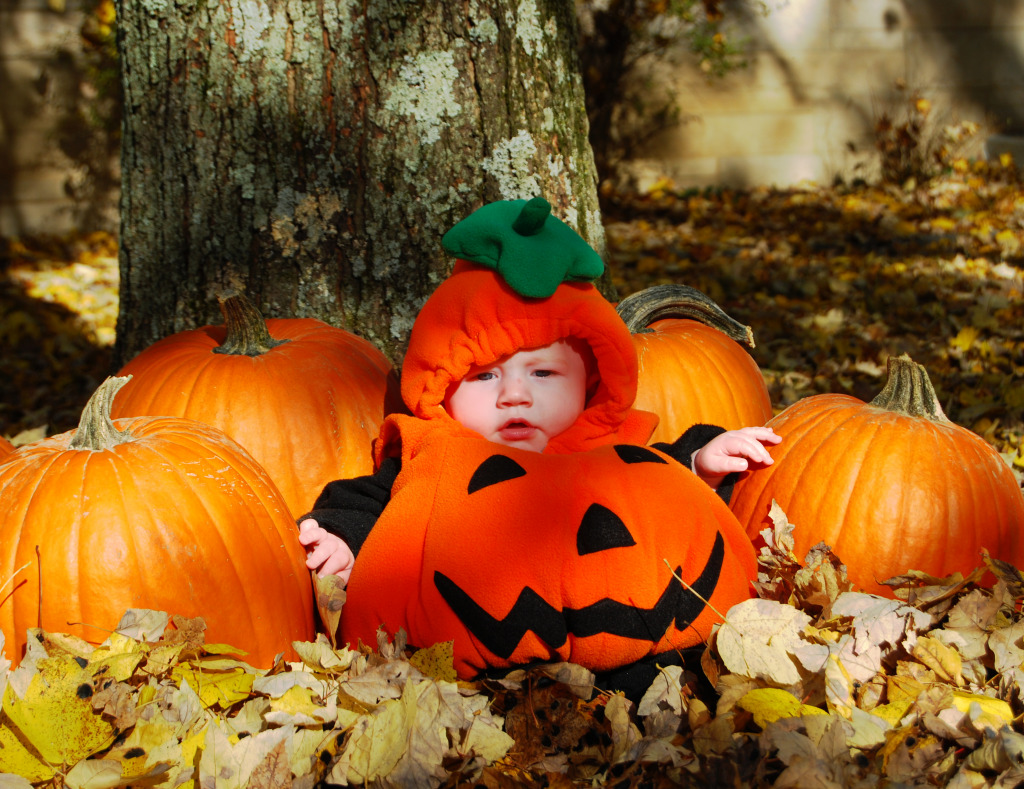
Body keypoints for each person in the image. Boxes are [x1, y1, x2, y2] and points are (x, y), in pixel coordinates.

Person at [297, 197, 779, 691]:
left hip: (633, 645)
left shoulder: (601, 443)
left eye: (543, 372)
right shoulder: (435, 453)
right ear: (443, 388)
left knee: (671, 668)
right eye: (484, 376)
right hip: (475, 666)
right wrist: (342, 539)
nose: (514, 395)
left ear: (588, 380)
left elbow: (654, 486)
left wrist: (699, 461)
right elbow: (370, 498)